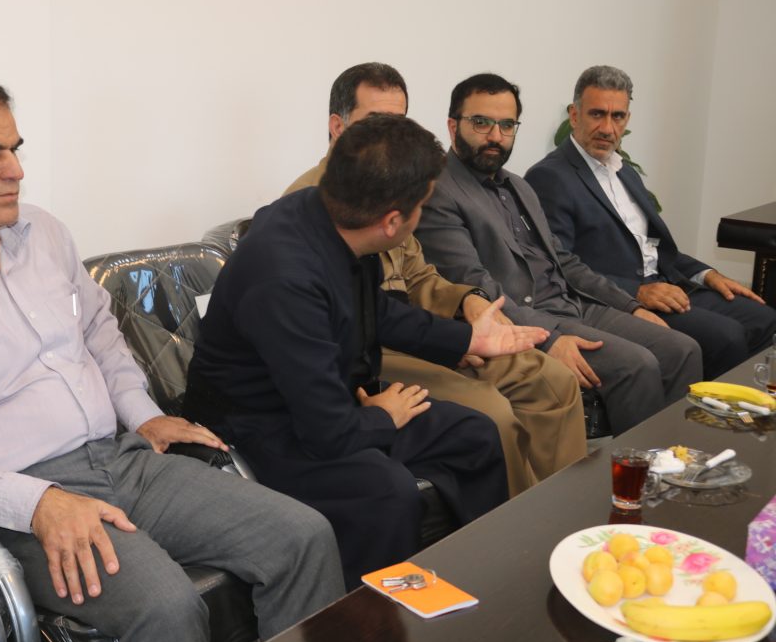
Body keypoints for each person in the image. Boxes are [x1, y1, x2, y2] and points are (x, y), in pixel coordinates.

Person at [0, 73, 344, 642]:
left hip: (120, 459)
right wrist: (38, 503)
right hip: (14, 504)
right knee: (166, 606)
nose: (14, 170)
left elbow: (98, 329)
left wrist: (142, 414)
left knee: (303, 537)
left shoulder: (43, 235)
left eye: (15, 150)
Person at [186, 113, 550, 585]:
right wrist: (383, 418)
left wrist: (466, 338)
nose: (422, 216)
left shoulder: (326, 215)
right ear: (393, 221)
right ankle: (373, 620)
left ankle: (478, 580)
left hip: (330, 403)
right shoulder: (285, 277)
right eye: (422, 205)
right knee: (386, 492)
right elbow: (325, 431)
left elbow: (371, 310)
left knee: (475, 434)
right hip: (258, 428)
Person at [285, 62, 585, 497]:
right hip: (374, 349)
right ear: (337, 126)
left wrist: (469, 301)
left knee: (552, 380)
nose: (389, 137)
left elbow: (420, 276)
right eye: (375, 122)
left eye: (398, 124)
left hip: (423, 329)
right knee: (492, 412)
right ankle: (517, 528)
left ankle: (564, 511)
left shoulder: (392, 185)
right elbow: (345, 321)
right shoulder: (311, 199)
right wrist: (448, 342)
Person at [416, 73, 702, 435]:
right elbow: (474, 285)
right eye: (481, 122)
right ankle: (638, 469)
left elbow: (564, 261)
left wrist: (631, 306)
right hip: (532, 317)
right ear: (453, 125)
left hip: (575, 305)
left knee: (682, 349)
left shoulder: (517, 185)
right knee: (637, 365)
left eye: (507, 125)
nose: (495, 136)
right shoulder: (438, 192)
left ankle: (677, 459)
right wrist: (549, 338)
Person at [525, 65, 776, 379]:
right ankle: (710, 409)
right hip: (619, 300)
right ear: (574, 116)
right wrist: (637, 293)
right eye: (597, 114)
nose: (607, 128)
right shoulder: (550, 176)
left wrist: (707, 274)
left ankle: (751, 405)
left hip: (669, 284)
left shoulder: (625, 171)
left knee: (764, 318)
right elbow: (558, 266)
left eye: (617, 116)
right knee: (726, 336)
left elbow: (654, 248)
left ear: (627, 119)